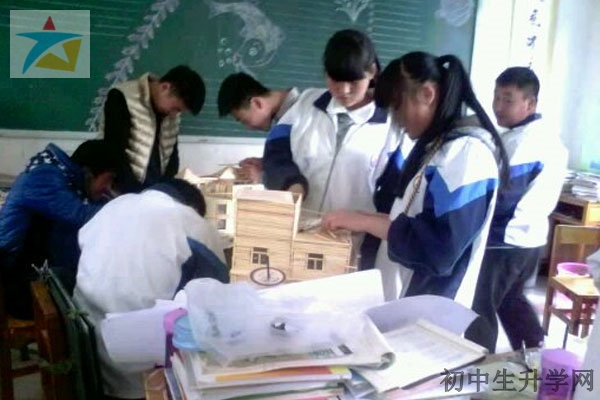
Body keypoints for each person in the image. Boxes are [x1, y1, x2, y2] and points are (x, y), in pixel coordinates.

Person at [322, 52, 510, 309]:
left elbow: (439, 249)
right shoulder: (440, 148)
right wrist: (362, 218)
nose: (396, 120)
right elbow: (414, 219)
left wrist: (365, 221)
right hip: (407, 303)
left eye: (397, 107)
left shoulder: (466, 154)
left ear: (427, 94)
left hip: (429, 311)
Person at [73, 178, 229, 399]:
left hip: (88, 350)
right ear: (193, 207)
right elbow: (219, 295)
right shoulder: (191, 222)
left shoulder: (114, 206)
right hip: (144, 374)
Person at [465, 67, 567, 352]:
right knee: (512, 301)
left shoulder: (524, 143)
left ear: (530, 103)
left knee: (480, 308)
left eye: (507, 100)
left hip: (504, 242)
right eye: (496, 97)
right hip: (530, 240)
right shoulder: (545, 137)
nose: (498, 106)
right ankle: (537, 355)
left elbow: (504, 199)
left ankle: (477, 367)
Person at [263, 29, 400, 216]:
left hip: (351, 233)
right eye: (335, 80)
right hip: (299, 225)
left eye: (353, 81)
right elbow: (275, 153)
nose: (344, 90)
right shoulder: (306, 103)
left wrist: (370, 234)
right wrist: (290, 182)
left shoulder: (391, 125)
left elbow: (392, 193)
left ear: (372, 71)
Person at [0, 140, 119, 319]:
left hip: (32, 273)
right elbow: (80, 215)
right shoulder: (44, 177)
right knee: (94, 300)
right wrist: (127, 207)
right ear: (88, 173)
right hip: (16, 282)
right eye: (109, 179)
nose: (108, 188)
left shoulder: (66, 179)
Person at [99, 65, 206, 193]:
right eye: (176, 108)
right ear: (165, 87)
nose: (175, 114)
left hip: (155, 191)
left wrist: (166, 189)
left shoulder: (171, 113)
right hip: (123, 190)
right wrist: (134, 193)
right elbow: (114, 150)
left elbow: (172, 155)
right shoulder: (123, 96)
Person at [217, 72, 300, 182]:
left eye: (245, 121)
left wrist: (263, 177)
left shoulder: (303, 114)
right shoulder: (282, 117)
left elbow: (310, 168)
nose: (249, 128)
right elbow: (295, 157)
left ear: (257, 103)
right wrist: (266, 163)